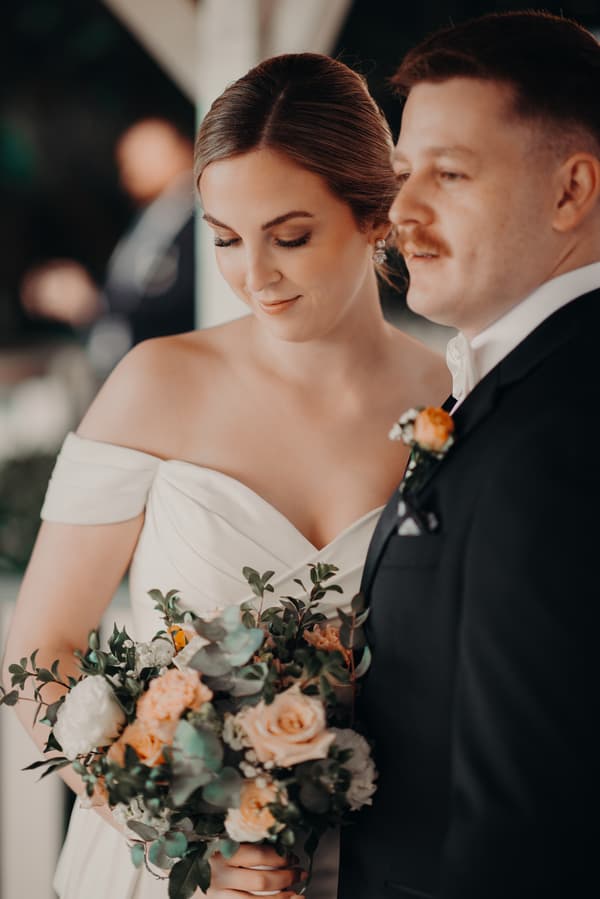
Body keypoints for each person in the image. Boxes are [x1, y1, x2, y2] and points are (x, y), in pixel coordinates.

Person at [2, 53, 449, 899]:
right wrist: (166, 830)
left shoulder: (449, 400)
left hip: (392, 861)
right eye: (226, 239)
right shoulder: (154, 382)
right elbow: (38, 647)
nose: (254, 275)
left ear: (375, 214)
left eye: (290, 235)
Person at [338, 11, 600, 899]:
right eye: (403, 175)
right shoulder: (514, 385)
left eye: (449, 174)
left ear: (572, 190)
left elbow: (533, 813)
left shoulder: (568, 423)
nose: (401, 213)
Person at [20, 117, 196, 377]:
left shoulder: (195, 215)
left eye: (137, 159)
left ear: (179, 150)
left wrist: (95, 304)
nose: (127, 173)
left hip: (172, 363)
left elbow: (172, 296)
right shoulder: (154, 216)